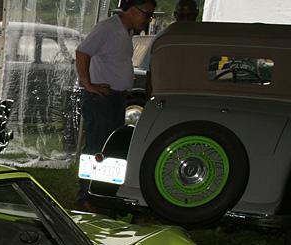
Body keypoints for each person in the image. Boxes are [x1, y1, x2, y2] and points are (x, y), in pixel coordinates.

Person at [75, 0, 156, 212]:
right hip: (101, 99)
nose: (148, 20)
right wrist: (88, 84)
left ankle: (101, 194)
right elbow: (82, 52)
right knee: (96, 148)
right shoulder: (107, 28)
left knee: (109, 149)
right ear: (132, 10)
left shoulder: (126, 31)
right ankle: (86, 197)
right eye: (147, 15)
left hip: (116, 98)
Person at [141, 0, 199, 97]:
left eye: (190, 16)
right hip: (167, 97)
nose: (186, 20)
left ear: (196, 14)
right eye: (182, 16)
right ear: (176, 15)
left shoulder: (204, 39)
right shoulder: (162, 40)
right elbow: (150, 76)